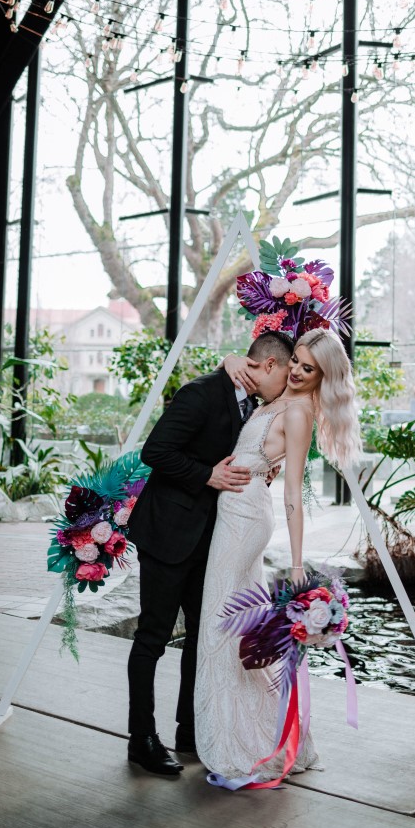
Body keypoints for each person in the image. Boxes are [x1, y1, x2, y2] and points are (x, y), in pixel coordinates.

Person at [194, 327, 362, 785]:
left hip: (246, 518)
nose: (298, 372)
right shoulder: (278, 395)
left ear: (322, 378)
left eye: (309, 370)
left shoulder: (301, 411)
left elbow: (291, 492)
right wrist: (232, 359)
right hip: (234, 508)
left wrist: (294, 561)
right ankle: (253, 729)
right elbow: (247, 368)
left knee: (220, 623)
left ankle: (243, 738)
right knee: (233, 627)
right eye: (297, 362)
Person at [126, 330, 294, 776]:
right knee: (152, 637)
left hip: (213, 538)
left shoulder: (253, 403)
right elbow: (155, 451)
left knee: (204, 637)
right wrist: (207, 476)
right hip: (168, 533)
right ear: (270, 366)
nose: (290, 384)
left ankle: (189, 727)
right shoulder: (201, 393)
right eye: (288, 373)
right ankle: (141, 738)